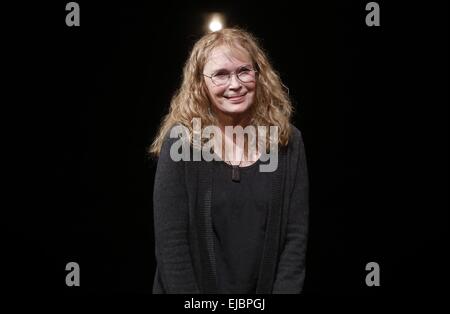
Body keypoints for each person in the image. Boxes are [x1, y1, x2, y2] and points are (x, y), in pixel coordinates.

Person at [149, 27, 309, 294]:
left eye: (244, 71)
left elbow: (295, 241)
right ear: (201, 84)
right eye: (221, 74)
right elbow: (172, 247)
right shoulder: (181, 143)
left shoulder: (287, 142)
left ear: (259, 75)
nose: (235, 84)